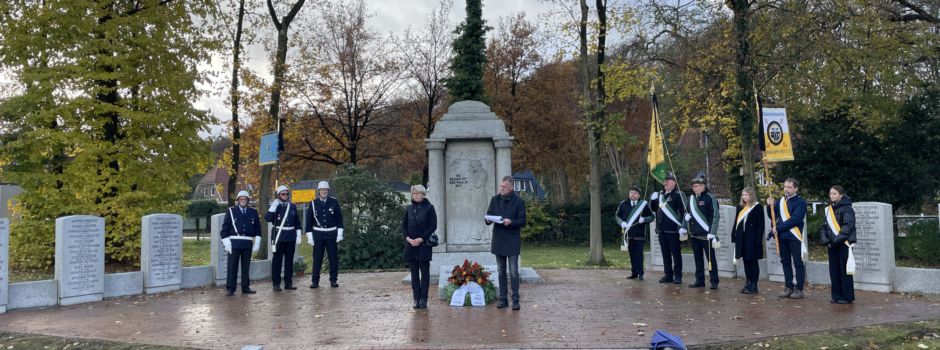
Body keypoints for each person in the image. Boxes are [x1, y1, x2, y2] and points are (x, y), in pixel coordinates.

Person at [485, 176, 527, 310]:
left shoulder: (519, 202)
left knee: (514, 271)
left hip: (512, 239)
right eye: (501, 186)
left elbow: (523, 221)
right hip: (499, 239)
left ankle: (515, 300)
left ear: (511, 187)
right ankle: (503, 299)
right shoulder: (494, 199)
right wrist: (488, 220)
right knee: (501, 271)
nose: (501, 189)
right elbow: (488, 215)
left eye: (504, 187)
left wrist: (511, 222)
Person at [766, 178, 807, 299]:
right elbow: (773, 216)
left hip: (794, 237)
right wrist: (770, 206)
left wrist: (778, 228)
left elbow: (795, 219)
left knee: (798, 263)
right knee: (785, 262)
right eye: (785, 187)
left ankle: (799, 289)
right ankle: (788, 286)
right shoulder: (780, 201)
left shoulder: (800, 202)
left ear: (795, 188)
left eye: (789, 187)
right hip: (782, 237)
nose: (786, 189)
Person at [401, 185, 437, 309]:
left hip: (424, 244)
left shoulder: (429, 208)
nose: (416, 195)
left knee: (425, 273)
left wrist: (421, 238)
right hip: (410, 245)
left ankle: (424, 299)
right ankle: (416, 298)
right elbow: (403, 226)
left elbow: (433, 226)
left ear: (423, 194)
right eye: (414, 193)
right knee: (414, 274)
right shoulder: (409, 209)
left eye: (418, 193)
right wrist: (408, 238)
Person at [220, 190, 262, 296]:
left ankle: (245, 287)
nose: (243, 201)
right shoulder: (231, 211)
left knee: (246, 266)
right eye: (241, 199)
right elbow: (224, 229)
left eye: (245, 199)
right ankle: (230, 288)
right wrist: (227, 243)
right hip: (234, 243)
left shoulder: (253, 212)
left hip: (247, 243)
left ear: (248, 200)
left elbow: (258, 229)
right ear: (238, 200)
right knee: (232, 266)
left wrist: (257, 242)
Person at [649, 173, 689, 285]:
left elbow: (684, 211)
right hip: (661, 229)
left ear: (674, 183)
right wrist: (653, 200)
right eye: (664, 181)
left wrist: (683, 226)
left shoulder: (678, 195)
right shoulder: (660, 195)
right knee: (665, 254)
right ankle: (668, 275)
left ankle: (678, 275)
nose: (665, 182)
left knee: (676, 254)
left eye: (668, 180)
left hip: (674, 230)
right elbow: (653, 209)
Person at [819, 185, 856, 304]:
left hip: (843, 244)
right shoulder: (828, 209)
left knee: (844, 271)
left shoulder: (847, 209)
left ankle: (847, 296)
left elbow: (847, 228)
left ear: (841, 195)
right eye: (830, 193)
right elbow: (824, 226)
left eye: (834, 193)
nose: (832, 195)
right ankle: (836, 295)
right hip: (832, 245)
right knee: (834, 270)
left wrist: (835, 242)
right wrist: (826, 240)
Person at [304, 181, 344, 288]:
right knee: (317, 259)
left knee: (333, 258)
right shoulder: (313, 203)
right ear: (319, 191)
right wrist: (309, 237)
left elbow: (339, 219)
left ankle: (333, 280)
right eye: (322, 190)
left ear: (328, 191)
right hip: (318, 234)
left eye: (325, 190)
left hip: (332, 234)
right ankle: (315, 281)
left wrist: (339, 234)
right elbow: (308, 222)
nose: (324, 192)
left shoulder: (334, 202)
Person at [685, 172, 720, 289]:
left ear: (704, 186)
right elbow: (687, 213)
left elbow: (714, 216)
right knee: (698, 258)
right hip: (695, 234)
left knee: (711, 259)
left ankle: (714, 281)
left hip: (707, 234)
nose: (696, 188)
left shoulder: (710, 197)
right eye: (694, 186)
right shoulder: (690, 199)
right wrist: (686, 221)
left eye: (698, 186)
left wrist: (712, 232)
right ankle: (699, 280)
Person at [266, 185, 302, 292]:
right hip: (279, 236)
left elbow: (297, 222)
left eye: (286, 194)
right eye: (283, 194)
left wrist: (299, 235)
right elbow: (268, 218)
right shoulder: (275, 206)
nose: (285, 196)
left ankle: (288, 283)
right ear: (278, 195)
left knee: (289, 261)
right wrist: (273, 207)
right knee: (277, 261)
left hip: (290, 236)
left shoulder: (292, 206)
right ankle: (276, 284)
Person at [615, 186, 655, 281]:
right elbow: (617, 216)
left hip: (639, 234)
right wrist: (621, 222)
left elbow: (652, 216)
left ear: (639, 195)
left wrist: (644, 219)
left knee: (639, 254)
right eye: (631, 193)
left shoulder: (644, 205)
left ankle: (640, 273)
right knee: (632, 254)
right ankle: (634, 273)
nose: (632, 194)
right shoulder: (623, 204)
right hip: (628, 234)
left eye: (635, 193)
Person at [733, 187, 765, 294]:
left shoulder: (757, 207)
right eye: (743, 195)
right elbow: (736, 222)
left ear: (751, 195)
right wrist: (734, 236)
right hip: (742, 238)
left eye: (747, 195)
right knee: (746, 261)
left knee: (753, 262)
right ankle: (748, 282)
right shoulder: (740, 207)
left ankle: (754, 285)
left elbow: (761, 225)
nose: (744, 197)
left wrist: (758, 240)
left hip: (753, 238)